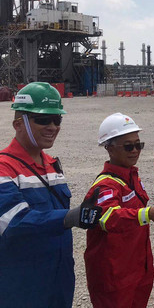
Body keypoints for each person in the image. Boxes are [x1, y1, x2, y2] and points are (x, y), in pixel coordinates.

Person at [0, 82, 101, 308]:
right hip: (21, 286)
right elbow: (12, 223)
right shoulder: (4, 168)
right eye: (43, 120)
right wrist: (68, 217)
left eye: (57, 120)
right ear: (18, 124)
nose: (53, 127)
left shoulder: (51, 165)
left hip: (58, 281)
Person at [84, 113, 154, 308]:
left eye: (138, 145)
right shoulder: (105, 185)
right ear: (108, 148)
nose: (135, 151)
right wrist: (148, 214)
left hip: (136, 270)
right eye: (128, 146)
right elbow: (106, 217)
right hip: (114, 277)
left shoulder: (131, 177)